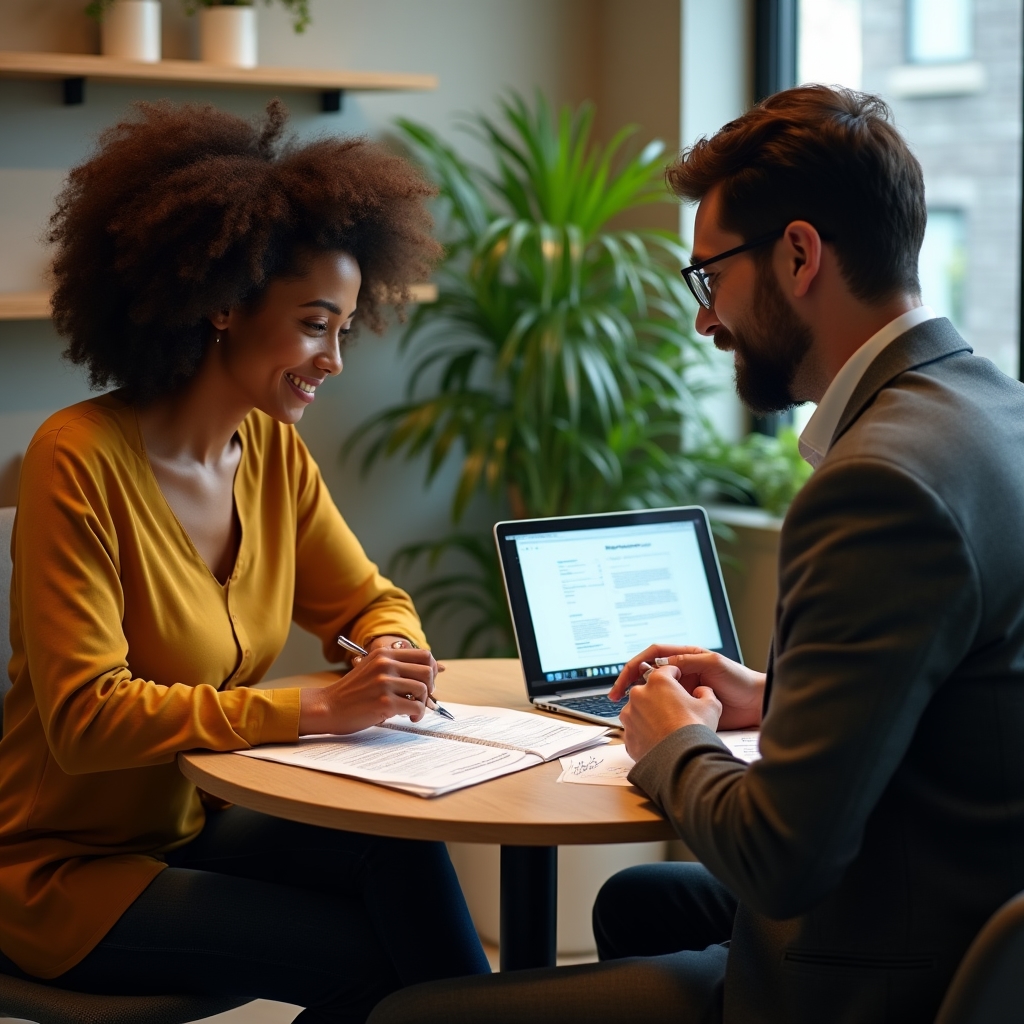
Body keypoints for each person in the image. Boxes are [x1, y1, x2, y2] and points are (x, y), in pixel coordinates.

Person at [368, 85, 1024, 1024]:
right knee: (638, 901)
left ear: (799, 255)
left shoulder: (880, 483)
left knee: (409, 1016)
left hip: (880, 978)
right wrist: (776, 696)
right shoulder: (998, 416)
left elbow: (779, 858)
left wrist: (671, 739)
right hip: (975, 928)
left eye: (709, 277)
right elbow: (967, 703)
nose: (705, 321)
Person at [0, 100, 490, 1023]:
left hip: (193, 827)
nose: (335, 359)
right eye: (315, 324)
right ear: (222, 304)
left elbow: (368, 599)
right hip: (60, 871)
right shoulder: (75, 456)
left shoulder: (270, 453)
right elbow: (84, 721)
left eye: (344, 327)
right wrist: (315, 706)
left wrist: (387, 649)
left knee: (400, 850)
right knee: (373, 962)